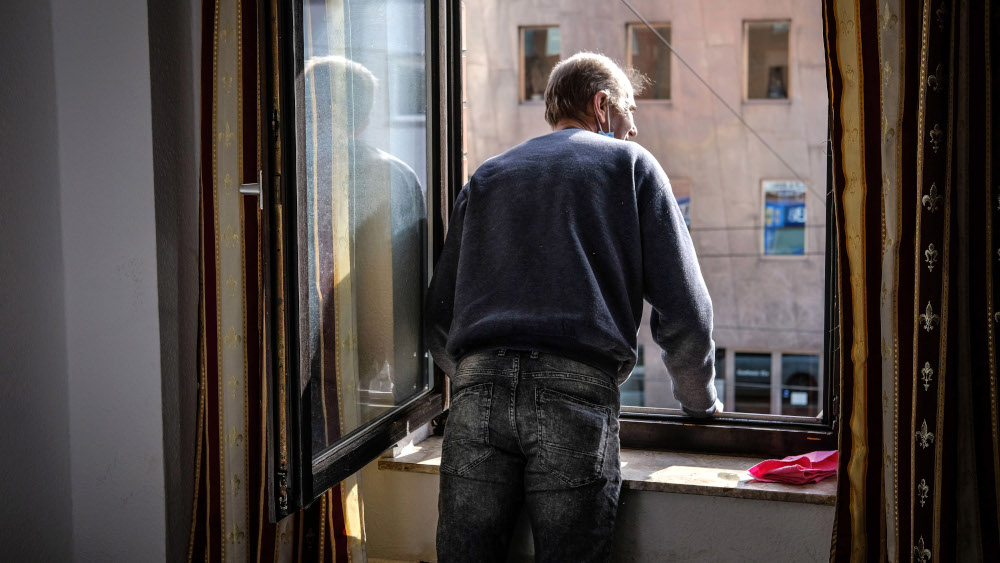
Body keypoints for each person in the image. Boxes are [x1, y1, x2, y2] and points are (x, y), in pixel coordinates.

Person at [425, 52, 722, 562]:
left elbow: (437, 315)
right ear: (602, 105)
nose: (634, 129)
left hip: (476, 395)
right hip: (575, 396)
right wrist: (700, 405)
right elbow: (686, 313)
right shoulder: (632, 166)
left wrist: (477, 376)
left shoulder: (489, 177)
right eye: (630, 112)